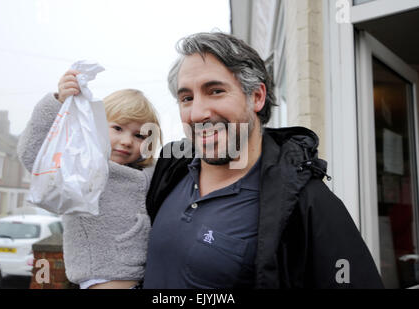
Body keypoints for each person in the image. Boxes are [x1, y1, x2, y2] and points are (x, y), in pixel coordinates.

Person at [143, 32, 384, 288]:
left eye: (215, 91)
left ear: (256, 97)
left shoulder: (307, 202)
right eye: (187, 98)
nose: (198, 113)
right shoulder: (169, 172)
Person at [17, 70, 162, 289]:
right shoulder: (81, 168)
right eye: (118, 128)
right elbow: (34, 154)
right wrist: (58, 102)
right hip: (99, 279)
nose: (126, 141)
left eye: (139, 135)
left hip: (143, 280)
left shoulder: (148, 173)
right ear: (96, 126)